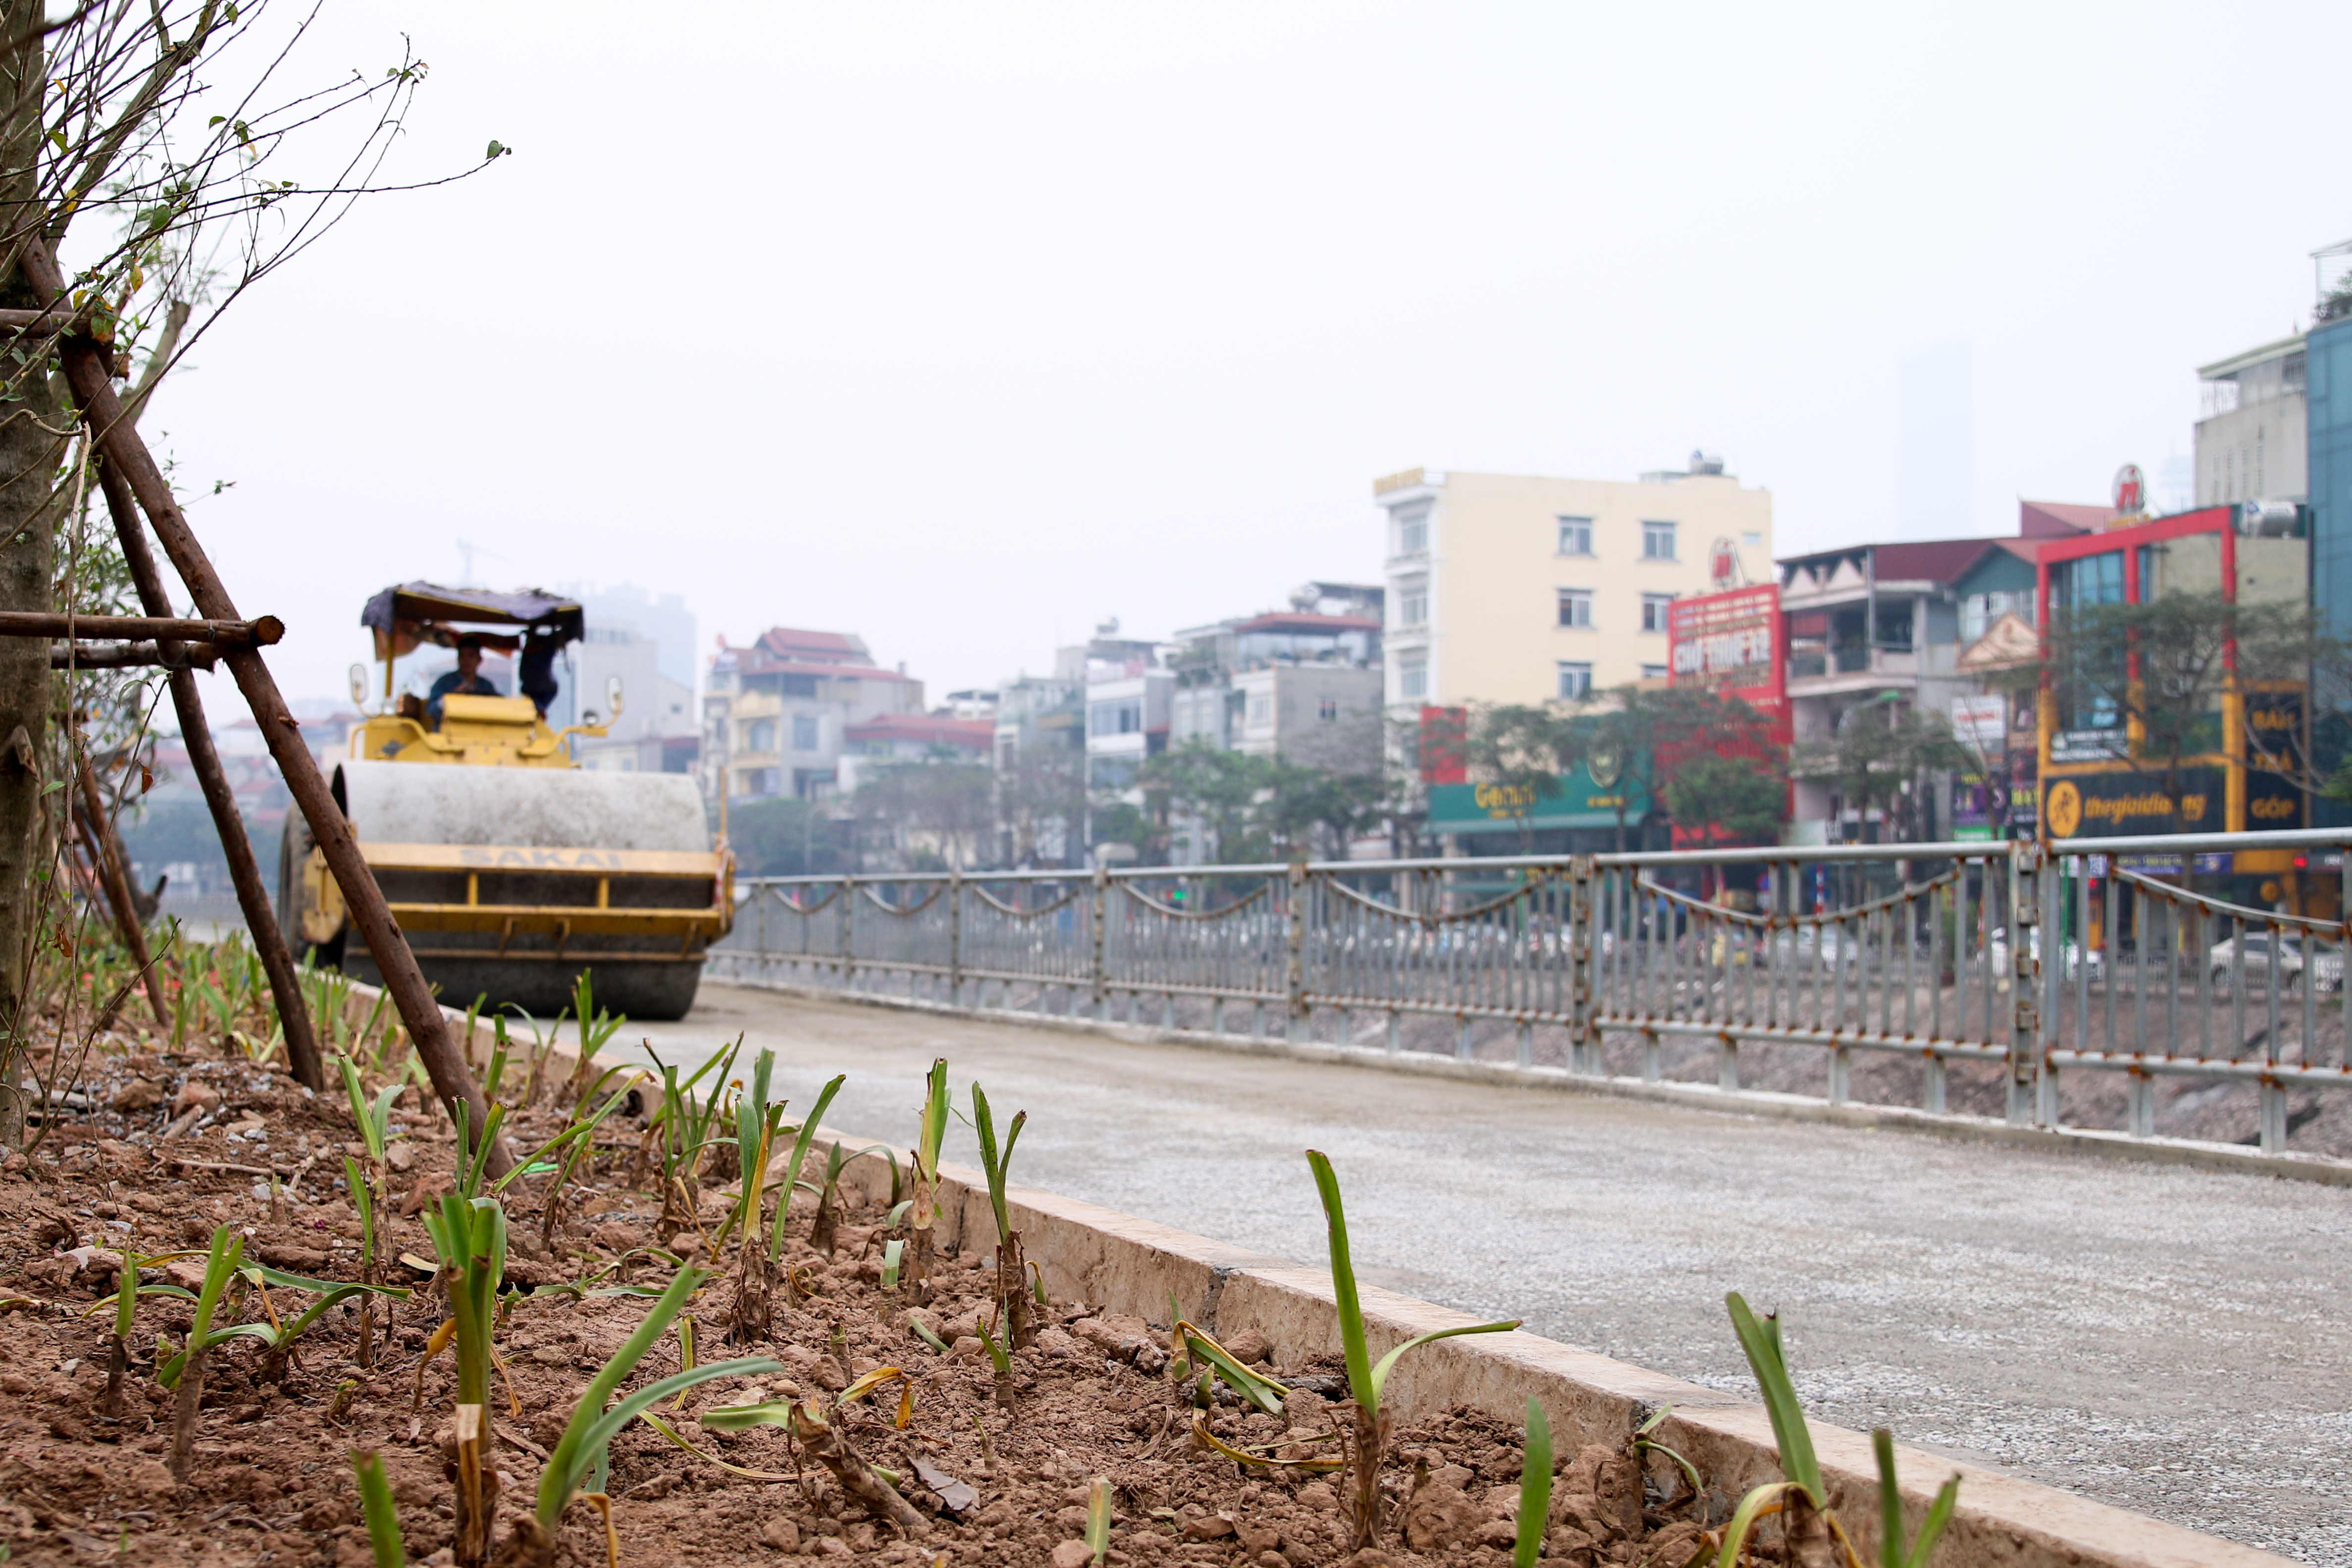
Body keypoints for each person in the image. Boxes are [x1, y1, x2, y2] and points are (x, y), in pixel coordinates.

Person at [424, 636, 503, 726]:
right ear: (458, 658)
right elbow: (431, 710)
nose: (466, 660)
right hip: (448, 735)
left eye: (471, 656)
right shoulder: (444, 683)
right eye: (462, 656)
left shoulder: (486, 686)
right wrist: (452, 698)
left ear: (479, 659)